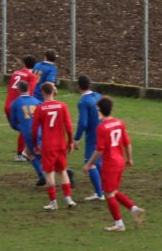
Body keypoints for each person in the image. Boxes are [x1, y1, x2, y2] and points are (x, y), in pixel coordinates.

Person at [85, 96, 145, 232]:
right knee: (114, 191)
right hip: (120, 161)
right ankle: (134, 209)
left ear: (100, 110)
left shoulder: (101, 128)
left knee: (109, 194)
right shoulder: (119, 123)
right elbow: (127, 143)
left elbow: (99, 150)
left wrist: (89, 164)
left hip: (110, 163)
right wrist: (129, 159)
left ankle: (119, 224)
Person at [32, 82, 76, 210]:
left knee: (49, 173)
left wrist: (35, 144)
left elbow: (34, 129)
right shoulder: (62, 106)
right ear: (53, 91)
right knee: (62, 171)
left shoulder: (40, 108)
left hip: (48, 145)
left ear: (43, 92)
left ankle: (53, 202)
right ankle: (68, 199)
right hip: (61, 143)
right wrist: (70, 142)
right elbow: (68, 126)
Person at [73, 75, 105, 201]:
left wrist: (76, 138)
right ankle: (104, 189)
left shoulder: (83, 101)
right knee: (99, 162)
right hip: (103, 130)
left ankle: (99, 193)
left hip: (93, 134)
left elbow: (83, 123)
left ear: (78, 87)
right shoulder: (98, 95)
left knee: (90, 162)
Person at [8, 80, 46, 184]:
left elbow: (13, 123)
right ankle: (41, 175)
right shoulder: (37, 101)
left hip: (29, 133)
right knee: (28, 153)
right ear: (29, 89)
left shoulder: (15, 103)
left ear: (18, 89)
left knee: (40, 156)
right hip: (41, 131)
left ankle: (63, 172)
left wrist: (22, 128)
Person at [4, 55, 38, 161]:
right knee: (27, 128)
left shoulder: (15, 73)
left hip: (8, 105)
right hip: (19, 105)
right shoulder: (32, 76)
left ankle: (26, 151)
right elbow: (30, 92)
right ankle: (21, 154)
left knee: (24, 129)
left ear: (23, 64)